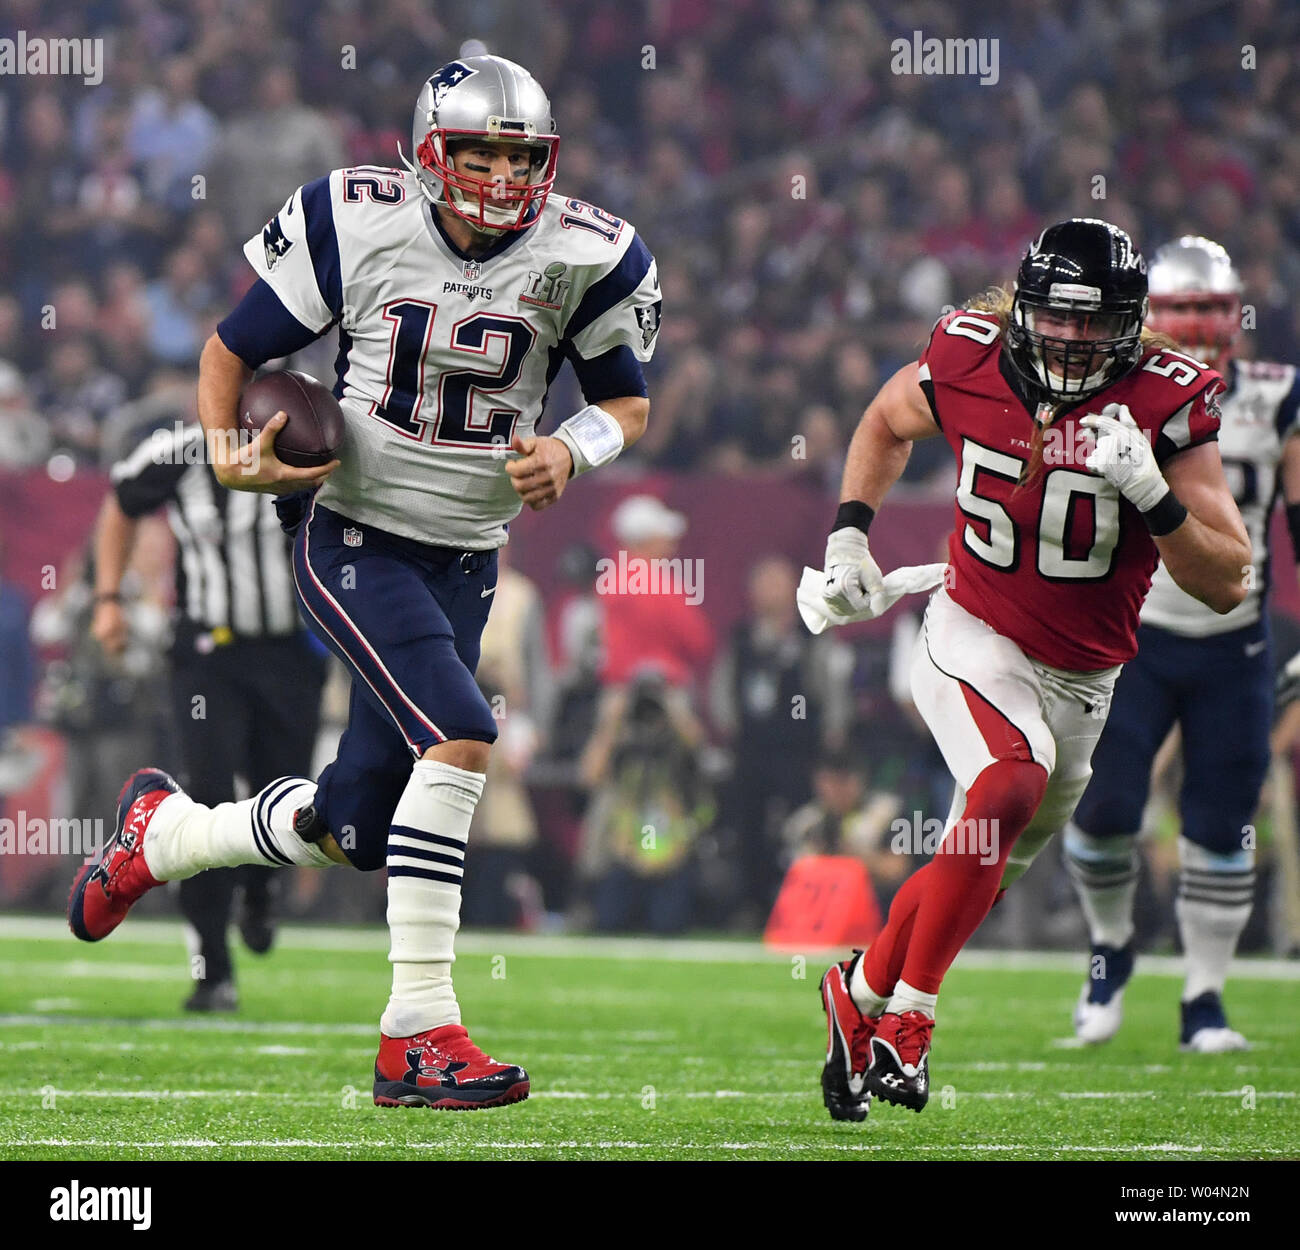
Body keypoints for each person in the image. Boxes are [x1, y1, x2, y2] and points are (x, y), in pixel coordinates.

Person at [68, 55, 660, 1111]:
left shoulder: (590, 253)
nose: (495, 176)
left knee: (356, 824)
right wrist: (226, 449)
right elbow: (227, 350)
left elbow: (624, 405)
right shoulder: (357, 217)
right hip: (350, 531)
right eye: (474, 152)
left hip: (469, 554)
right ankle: (418, 1033)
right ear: (430, 153)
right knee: (461, 733)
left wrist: (571, 449)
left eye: (516, 157)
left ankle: (161, 834)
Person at [811, 219, 1249, 1122]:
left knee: (977, 863)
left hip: (1086, 680)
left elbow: (1223, 581)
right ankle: (909, 1024)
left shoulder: (1168, 403)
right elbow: (888, 419)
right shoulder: (968, 354)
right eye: (1058, 318)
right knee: (1009, 782)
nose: (1076, 340)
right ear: (1024, 310)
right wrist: (851, 530)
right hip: (970, 630)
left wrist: (1153, 494)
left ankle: (856, 993)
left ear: (1132, 322)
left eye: (1098, 324)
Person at [1065, 237, 1300, 1052]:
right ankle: (1108, 950)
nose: (1195, 327)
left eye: (1208, 310)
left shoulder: (1276, 398)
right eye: (1178, 311)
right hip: (1132, 636)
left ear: (1235, 315)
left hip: (1235, 643)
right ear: (1146, 317)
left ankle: (1204, 1001)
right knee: (1101, 810)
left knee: (1221, 824)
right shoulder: (1116, 393)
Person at [92, 417, 327, 1011]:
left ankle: (262, 886)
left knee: (290, 798)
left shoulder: (313, 437)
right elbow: (121, 503)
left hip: (291, 654)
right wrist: (107, 600)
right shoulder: (181, 450)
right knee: (204, 797)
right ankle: (211, 971)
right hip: (207, 657)